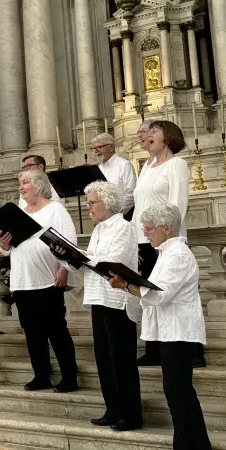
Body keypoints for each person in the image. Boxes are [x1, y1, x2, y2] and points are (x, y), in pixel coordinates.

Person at [110, 204, 211, 449]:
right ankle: (193, 443)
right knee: (176, 392)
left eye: (149, 229)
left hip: (179, 331)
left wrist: (125, 286)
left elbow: (159, 295)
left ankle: (191, 445)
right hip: (170, 331)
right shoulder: (167, 252)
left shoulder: (177, 254)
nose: (145, 234)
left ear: (167, 228)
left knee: (179, 391)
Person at [0, 170, 79, 393]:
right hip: (22, 281)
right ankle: (41, 375)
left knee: (56, 330)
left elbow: (69, 241)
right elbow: (6, 250)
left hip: (47, 280)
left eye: (25, 183)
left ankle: (70, 377)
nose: (21, 187)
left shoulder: (55, 209)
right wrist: (3, 244)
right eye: (19, 183)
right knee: (32, 332)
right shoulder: (19, 211)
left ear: (38, 185)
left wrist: (64, 269)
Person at [80, 182, 142, 430]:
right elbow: (92, 262)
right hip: (98, 297)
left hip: (117, 300)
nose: (89, 207)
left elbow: (113, 261)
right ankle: (112, 409)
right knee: (103, 358)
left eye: (92, 202)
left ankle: (131, 414)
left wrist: (83, 258)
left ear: (108, 203)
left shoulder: (123, 227)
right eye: (88, 203)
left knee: (122, 360)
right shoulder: (97, 230)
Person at [132, 120, 193, 367]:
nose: (148, 135)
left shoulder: (177, 164)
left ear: (168, 137)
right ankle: (154, 348)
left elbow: (178, 205)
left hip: (166, 240)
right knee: (149, 296)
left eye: (154, 131)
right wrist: (134, 241)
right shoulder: (146, 166)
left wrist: (166, 237)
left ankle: (192, 351)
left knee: (174, 297)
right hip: (144, 239)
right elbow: (139, 207)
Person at [92, 133, 136, 218]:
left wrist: (115, 214)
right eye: (94, 148)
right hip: (103, 218)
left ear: (111, 147)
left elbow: (130, 193)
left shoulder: (124, 165)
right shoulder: (99, 168)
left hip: (122, 217)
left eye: (99, 147)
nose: (96, 151)